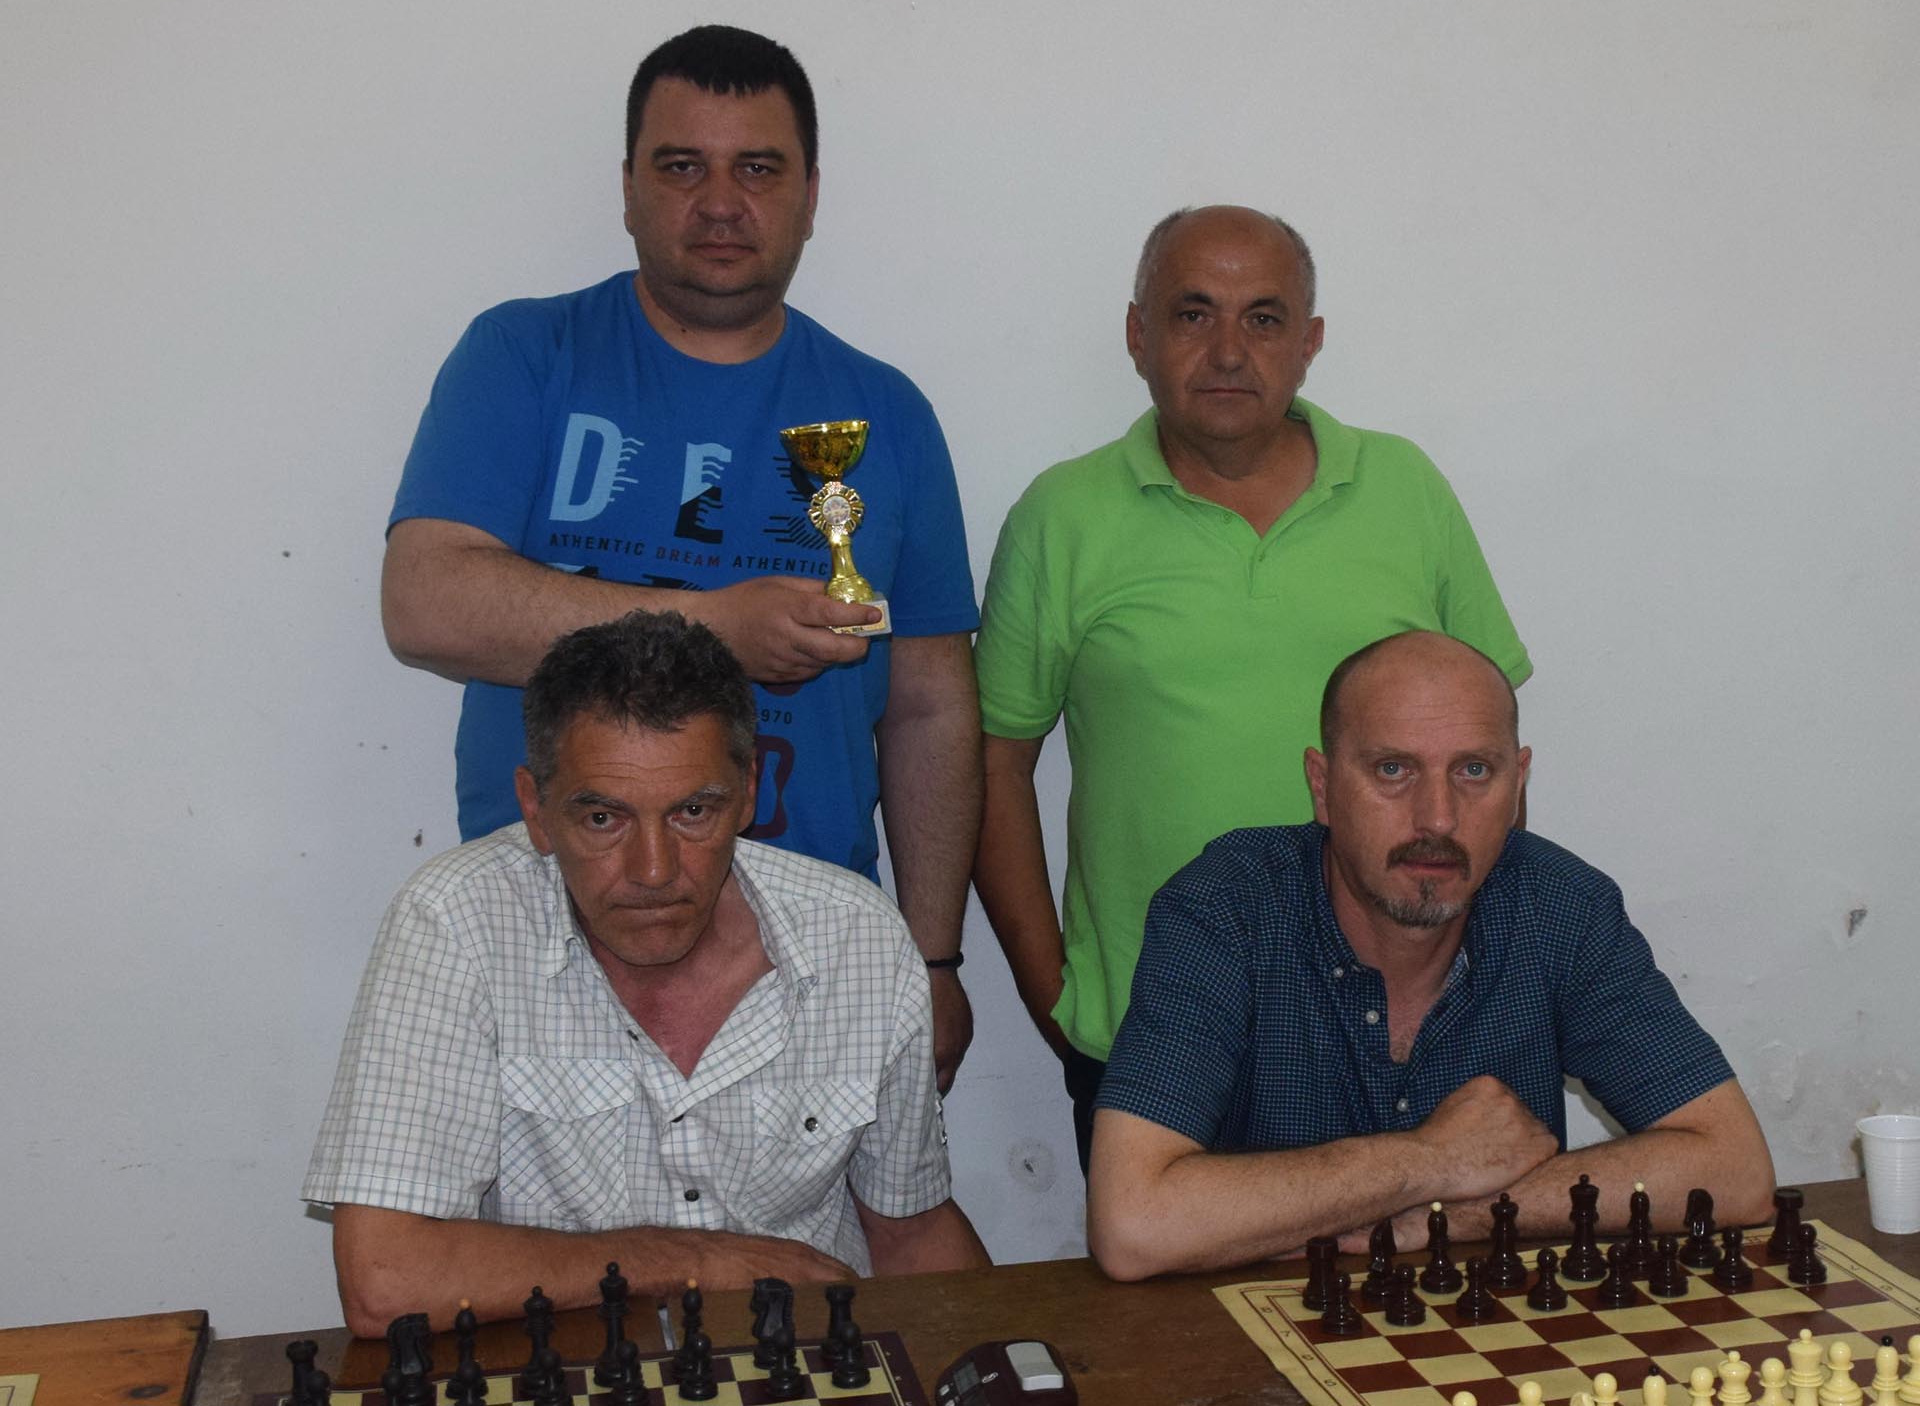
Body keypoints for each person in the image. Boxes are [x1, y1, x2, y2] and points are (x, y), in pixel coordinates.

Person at [380, 25, 981, 1086]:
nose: (720, 203)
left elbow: (931, 707)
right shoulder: (524, 356)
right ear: (627, 186)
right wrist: (716, 626)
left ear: (809, 194)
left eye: (758, 169)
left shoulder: (887, 412)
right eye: (681, 166)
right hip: (544, 930)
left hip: (811, 949)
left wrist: (931, 958)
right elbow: (424, 603)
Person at [972, 205, 1531, 1170]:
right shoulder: (1062, 516)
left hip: (1401, 1027)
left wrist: (1486, 979)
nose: (1229, 351)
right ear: (1138, 335)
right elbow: (992, 764)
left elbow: (1489, 747)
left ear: (1309, 343)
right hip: (1158, 1033)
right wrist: (1053, 993)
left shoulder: (1404, 488)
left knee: (1425, 1272)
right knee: (1161, 1273)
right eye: (1193, 314)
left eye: (1264, 319)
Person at [305, 611, 989, 1335]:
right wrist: (693, 1262)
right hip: (563, 1367)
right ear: (536, 810)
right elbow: (386, 1279)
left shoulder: (856, 935)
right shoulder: (455, 923)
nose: (654, 872)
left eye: (693, 811)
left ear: (749, 792)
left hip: (806, 1362)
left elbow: (910, 1231)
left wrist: (1010, 1362)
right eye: (604, 819)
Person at [1086, 631, 1775, 1281]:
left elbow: (1737, 1171)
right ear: (1323, 787)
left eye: (1474, 770)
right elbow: (1132, 1224)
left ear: (1518, 785)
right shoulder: (1225, 910)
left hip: (1492, 1336)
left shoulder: (1562, 908)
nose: (1438, 818)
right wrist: (1430, 1159)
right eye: (1393, 770)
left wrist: (1448, 1216)